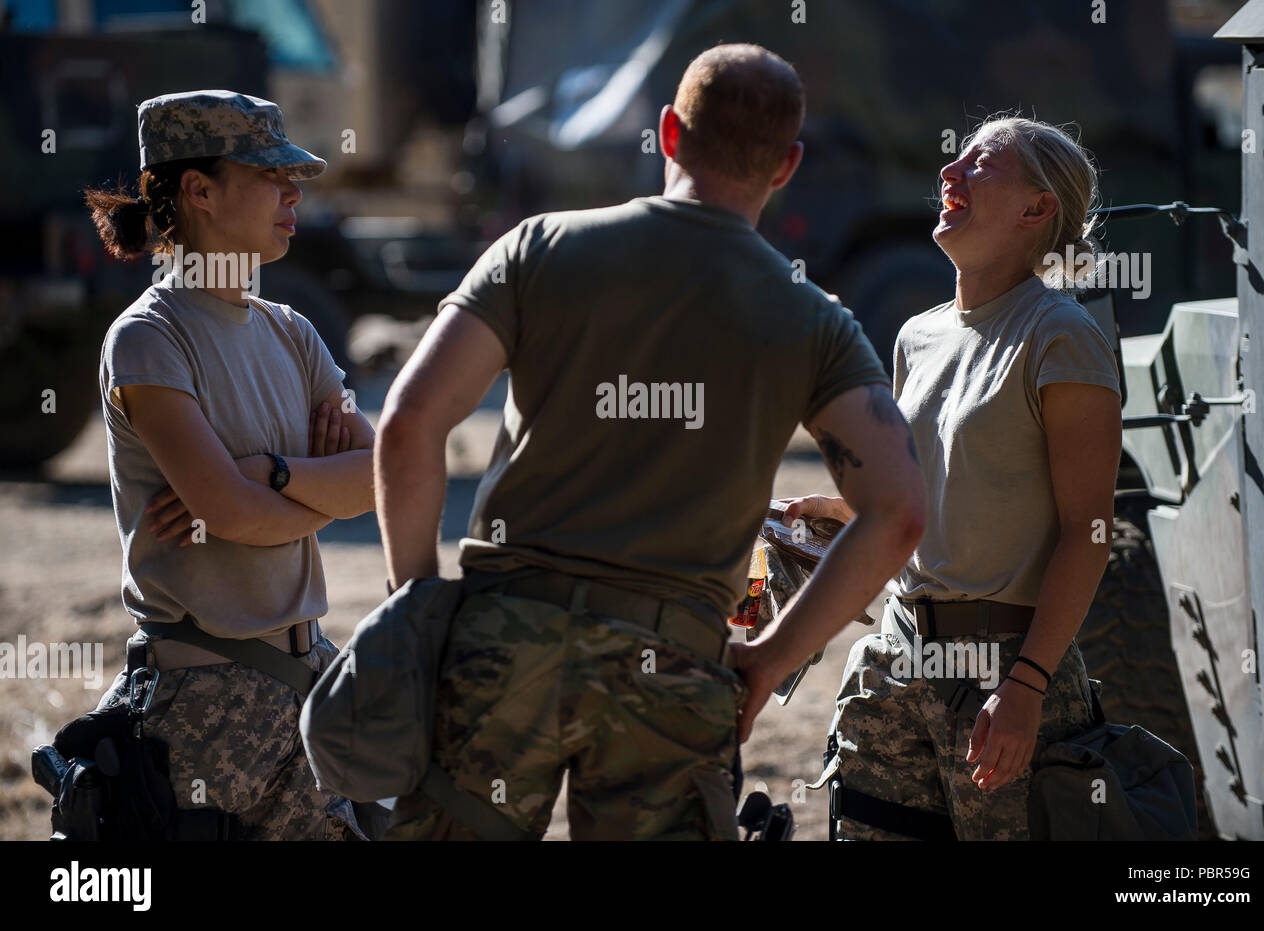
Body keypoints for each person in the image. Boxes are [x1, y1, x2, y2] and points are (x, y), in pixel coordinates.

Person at [376, 44, 926, 840]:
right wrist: (771, 655)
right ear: (787, 166)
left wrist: (415, 609)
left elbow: (407, 424)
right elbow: (898, 513)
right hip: (673, 665)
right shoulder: (814, 321)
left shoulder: (539, 249)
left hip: (505, 640)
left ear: (668, 132)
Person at [785, 116, 1123, 840]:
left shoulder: (1059, 335)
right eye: (957, 158)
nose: (952, 171)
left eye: (983, 162)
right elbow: (950, 500)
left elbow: (1087, 532)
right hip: (897, 659)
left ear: (1037, 209)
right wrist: (848, 519)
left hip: (1006, 670)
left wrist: (1027, 685)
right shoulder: (918, 335)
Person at [85, 90, 376, 840]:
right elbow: (231, 514)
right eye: (269, 175)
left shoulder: (292, 331)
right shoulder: (149, 339)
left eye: (295, 177)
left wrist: (268, 470)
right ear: (199, 189)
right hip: (203, 704)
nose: (293, 193)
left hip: (306, 680)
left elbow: (378, 475)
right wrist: (302, 489)